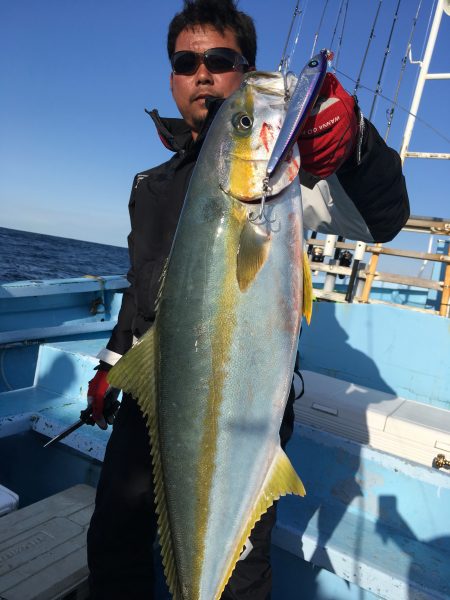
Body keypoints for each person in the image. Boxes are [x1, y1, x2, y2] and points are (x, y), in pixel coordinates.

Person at [86, 1, 410, 599]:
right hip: (154, 392)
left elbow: (384, 216)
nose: (202, 73)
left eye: (220, 59)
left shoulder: (292, 179)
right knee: (113, 541)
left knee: (239, 575)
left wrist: (355, 140)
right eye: (187, 61)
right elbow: (142, 292)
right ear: (172, 78)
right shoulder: (150, 186)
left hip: (242, 410)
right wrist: (109, 366)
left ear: (245, 72)